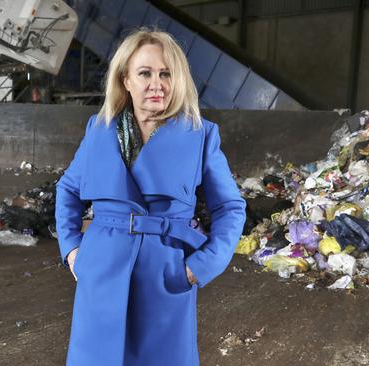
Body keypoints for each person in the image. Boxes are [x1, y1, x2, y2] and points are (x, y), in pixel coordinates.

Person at [55, 28, 246, 366]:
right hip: (101, 268)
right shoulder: (99, 129)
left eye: (166, 73)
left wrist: (197, 268)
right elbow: (68, 189)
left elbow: (230, 207)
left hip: (165, 273)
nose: (156, 83)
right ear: (125, 79)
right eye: (145, 73)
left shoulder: (200, 134)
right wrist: (72, 251)